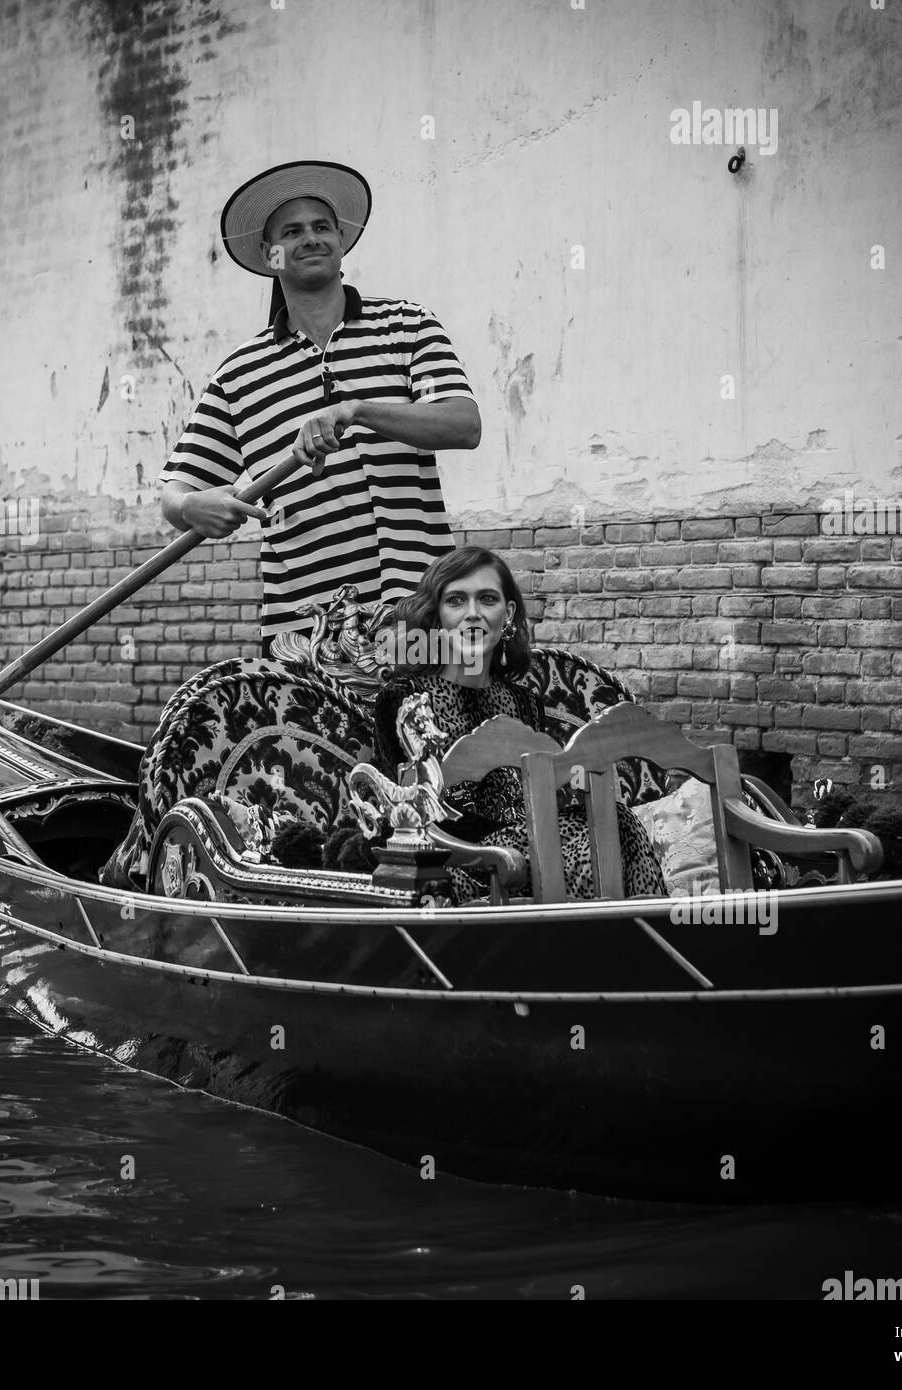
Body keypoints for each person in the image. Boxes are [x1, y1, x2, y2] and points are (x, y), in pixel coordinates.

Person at [160, 160, 482, 653]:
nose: (311, 238)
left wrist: (356, 410)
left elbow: (463, 424)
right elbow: (175, 492)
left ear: (341, 243)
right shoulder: (238, 374)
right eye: (293, 231)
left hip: (419, 605)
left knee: (426, 730)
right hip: (304, 627)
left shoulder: (406, 325)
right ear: (272, 257)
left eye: (322, 227)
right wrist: (190, 506)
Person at [372, 547, 667, 903]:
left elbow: (543, 792)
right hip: (454, 859)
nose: (473, 614)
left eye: (487, 599)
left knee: (613, 823)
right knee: (601, 829)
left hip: (539, 852)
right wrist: (523, 836)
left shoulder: (524, 702)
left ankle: (631, 938)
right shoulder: (405, 700)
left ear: (507, 613)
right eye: (455, 601)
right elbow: (410, 812)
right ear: (436, 616)